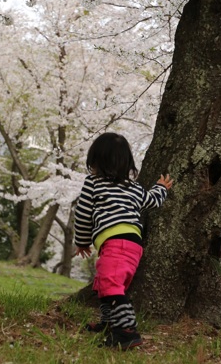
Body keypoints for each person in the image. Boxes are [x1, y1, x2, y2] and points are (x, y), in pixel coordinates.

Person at [74, 132, 173, 350]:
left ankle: (127, 332)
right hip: (132, 245)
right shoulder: (134, 188)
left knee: (110, 285)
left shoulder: (93, 183)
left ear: (96, 162)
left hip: (116, 243)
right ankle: (108, 323)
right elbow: (152, 201)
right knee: (105, 285)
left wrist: (81, 242)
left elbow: (82, 214)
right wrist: (161, 189)